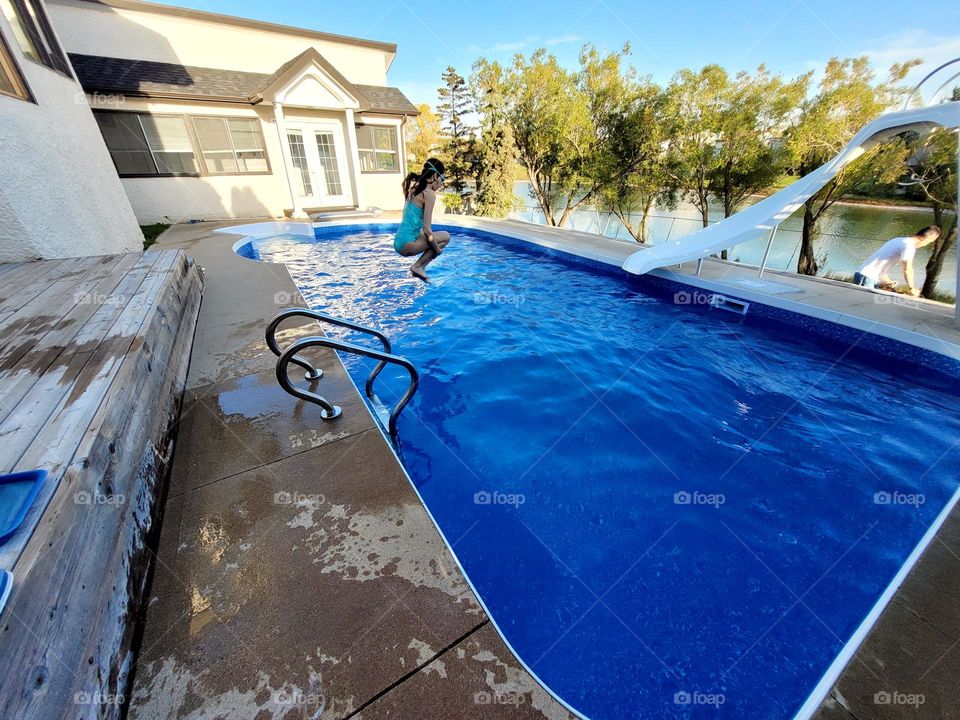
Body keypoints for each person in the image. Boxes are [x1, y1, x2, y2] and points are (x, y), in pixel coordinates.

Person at [395, 158, 451, 283]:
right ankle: (418, 266)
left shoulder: (414, 188)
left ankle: (418, 267)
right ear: (436, 176)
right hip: (407, 245)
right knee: (446, 237)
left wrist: (435, 247)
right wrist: (437, 251)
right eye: (443, 178)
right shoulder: (429, 194)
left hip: (399, 240)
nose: (442, 183)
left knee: (435, 241)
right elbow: (427, 230)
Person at [853, 226, 941, 297]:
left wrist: (887, 282)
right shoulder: (909, 246)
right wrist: (912, 288)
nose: (927, 244)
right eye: (930, 242)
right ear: (926, 238)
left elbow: (879, 264)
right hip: (867, 278)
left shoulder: (899, 240)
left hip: (866, 276)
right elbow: (908, 269)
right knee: (863, 309)